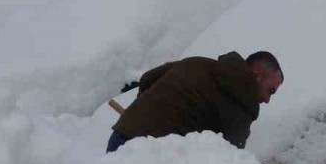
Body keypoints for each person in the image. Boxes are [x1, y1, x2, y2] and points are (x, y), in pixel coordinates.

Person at [107, 51, 283, 153]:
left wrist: (144, 114)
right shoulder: (241, 103)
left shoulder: (198, 62)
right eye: (271, 90)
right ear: (257, 75)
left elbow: (148, 78)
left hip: (122, 134)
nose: (267, 100)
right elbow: (229, 158)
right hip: (149, 157)